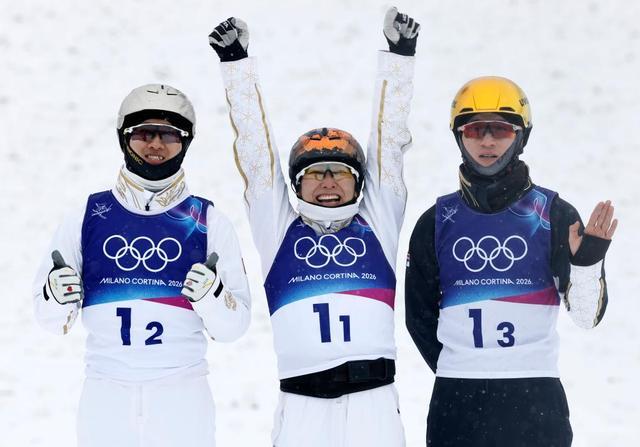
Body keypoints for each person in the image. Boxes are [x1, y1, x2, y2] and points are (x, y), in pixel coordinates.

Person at [208, 8, 419, 447]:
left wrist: (399, 57)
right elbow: (256, 153)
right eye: (315, 174)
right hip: (302, 406)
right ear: (295, 183)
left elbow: (390, 140)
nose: (327, 183)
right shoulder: (277, 229)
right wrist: (236, 65)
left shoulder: (378, 221)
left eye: (339, 173)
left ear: (359, 182)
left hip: (374, 405)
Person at [32, 83, 251, 447]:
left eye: (170, 135)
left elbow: (234, 328)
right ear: (124, 138)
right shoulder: (87, 215)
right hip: (105, 395)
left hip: (182, 397)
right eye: (144, 133)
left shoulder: (208, 221)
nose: (156, 145)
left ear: (186, 142)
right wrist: (55, 297)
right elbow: (49, 321)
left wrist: (212, 296)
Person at [405, 76, 618, 446]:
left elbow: (587, 318)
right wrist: (464, 367)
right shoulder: (436, 221)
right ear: (459, 136)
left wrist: (587, 265)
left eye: (501, 130)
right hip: (457, 403)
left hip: (536, 402)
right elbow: (418, 318)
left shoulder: (554, 214)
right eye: (475, 130)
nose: (487, 142)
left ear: (521, 136)